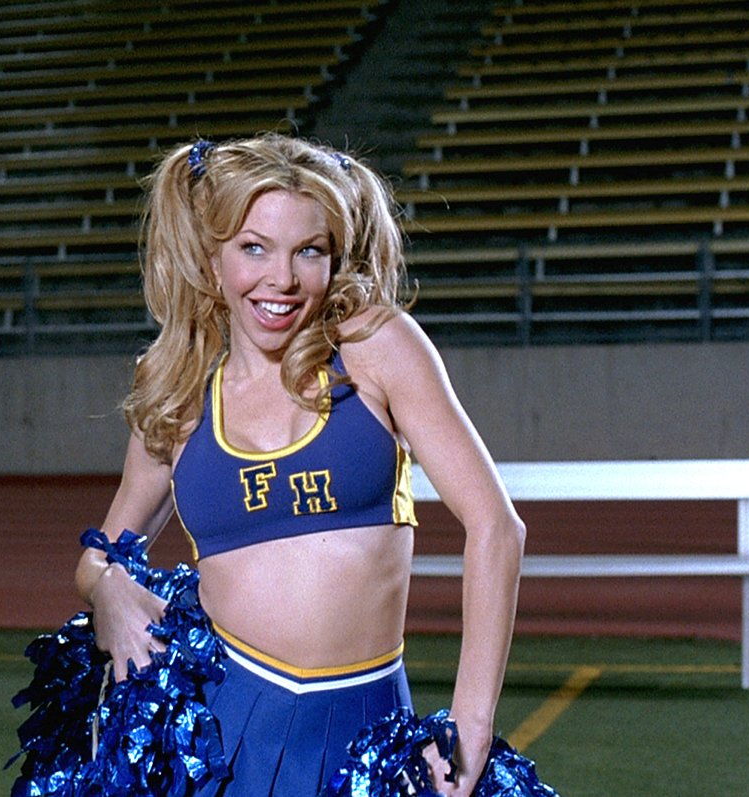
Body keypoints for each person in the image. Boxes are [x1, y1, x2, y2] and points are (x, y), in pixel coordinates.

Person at [71, 133, 526, 796]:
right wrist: (107, 588)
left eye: (308, 250)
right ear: (212, 258)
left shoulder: (373, 347)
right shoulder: (181, 390)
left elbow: (495, 526)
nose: (280, 279)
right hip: (219, 735)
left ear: (334, 257)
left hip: (367, 735)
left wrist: (471, 722)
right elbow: (101, 552)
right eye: (253, 248)